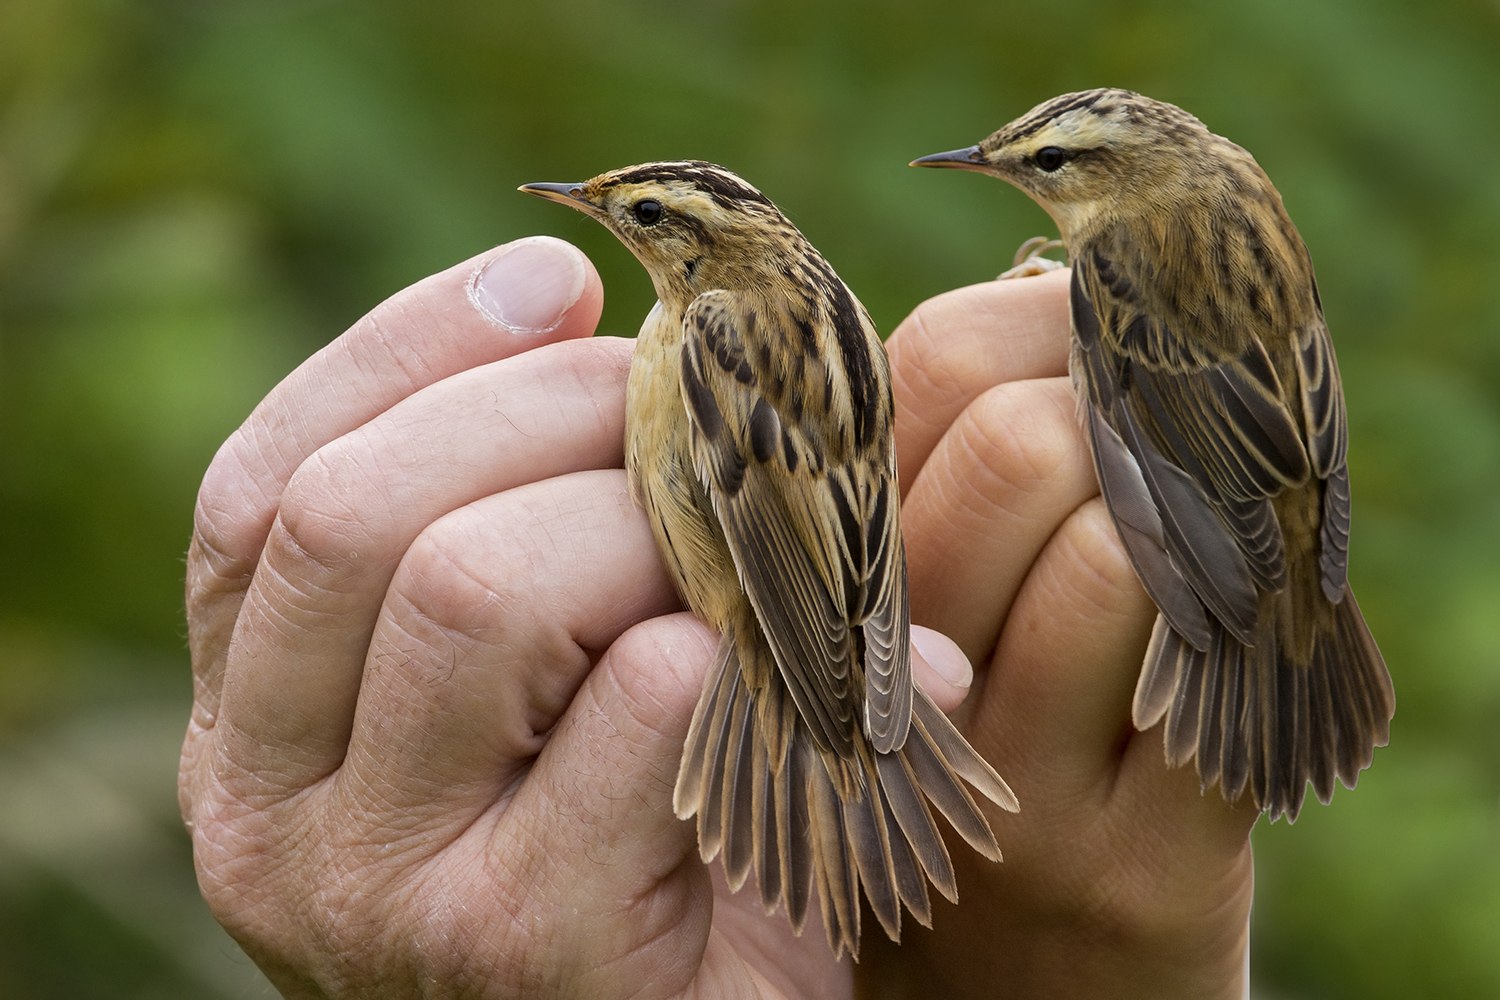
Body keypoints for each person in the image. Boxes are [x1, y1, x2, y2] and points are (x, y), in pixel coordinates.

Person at [178, 235, 1256, 998]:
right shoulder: (779, 312)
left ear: (694, 254)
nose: (608, 219)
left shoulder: (713, 337)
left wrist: (840, 691)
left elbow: (773, 519)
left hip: (791, 625)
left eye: (641, 217)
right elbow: (836, 505)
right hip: (841, 625)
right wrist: (866, 656)